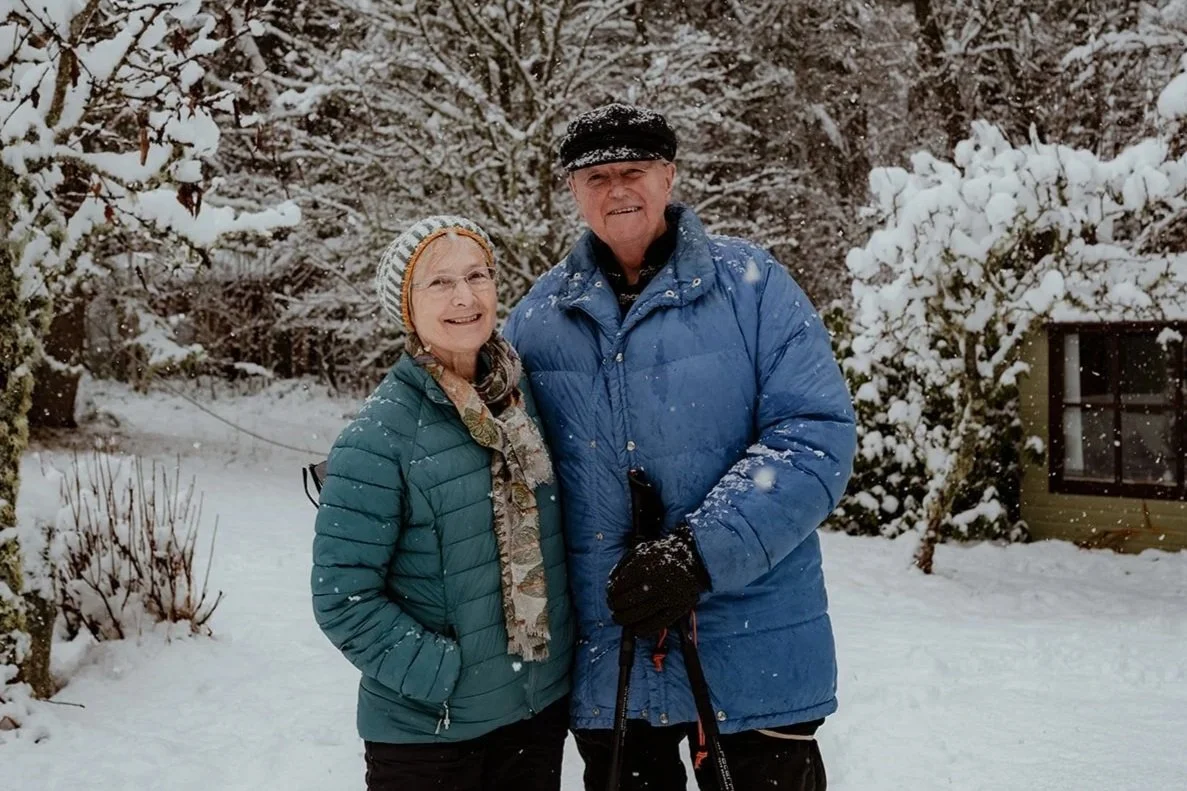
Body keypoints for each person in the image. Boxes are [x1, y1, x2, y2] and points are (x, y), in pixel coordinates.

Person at [504, 104, 857, 791]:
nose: (616, 189)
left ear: (668, 176)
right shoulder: (537, 321)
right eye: (595, 176)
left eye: (632, 170)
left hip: (754, 648)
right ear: (572, 191)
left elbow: (813, 436)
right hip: (613, 657)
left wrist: (697, 554)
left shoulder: (753, 288)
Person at [311, 216, 574, 791]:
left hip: (533, 716)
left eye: (477, 275)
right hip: (431, 736)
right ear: (406, 307)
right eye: (439, 282)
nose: (465, 296)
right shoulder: (379, 437)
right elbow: (342, 597)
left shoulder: (524, 405)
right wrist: (444, 675)